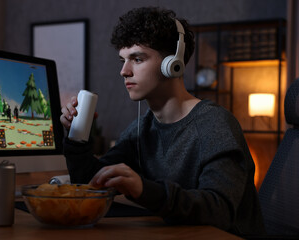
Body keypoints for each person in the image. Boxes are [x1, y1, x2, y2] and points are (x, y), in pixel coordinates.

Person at [60, 6, 265, 236]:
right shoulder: (141, 130)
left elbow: (219, 211)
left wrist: (144, 190)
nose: (124, 71)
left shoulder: (215, 125)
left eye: (137, 59)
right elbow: (90, 183)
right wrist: (76, 137)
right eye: (122, 60)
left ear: (173, 64)